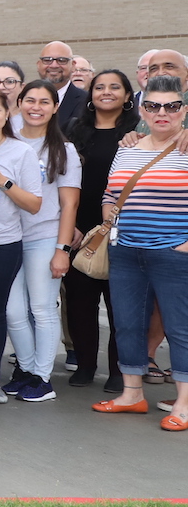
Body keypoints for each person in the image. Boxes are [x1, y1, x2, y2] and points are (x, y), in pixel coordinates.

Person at [94, 73, 188, 427]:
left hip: (174, 255)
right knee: (128, 325)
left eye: (171, 106)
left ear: (183, 110)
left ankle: (184, 403)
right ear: (141, 110)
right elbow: (109, 195)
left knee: (181, 328)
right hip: (126, 252)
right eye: (153, 106)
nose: (162, 112)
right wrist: (112, 225)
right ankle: (132, 393)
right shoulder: (128, 148)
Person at [4, 79, 81, 402]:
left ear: (55, 108)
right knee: (12, 310)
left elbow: (69, 204)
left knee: (42, 308)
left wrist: (62, 250)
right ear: (19, 103)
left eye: (44, 102)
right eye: (30, 100)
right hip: (8, 238)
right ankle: (25, 368)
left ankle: (42, 377)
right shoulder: (6, 142)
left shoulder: (64, 150)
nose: (36, 107)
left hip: (44, 237)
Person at [63, 70, 138, 389]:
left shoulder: (137, 132)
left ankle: (120, 371)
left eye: (114, 87)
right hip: (81, 228)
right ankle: (85, 365)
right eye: (99, 87)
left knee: (122, 305)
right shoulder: (74, 130)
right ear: (90, 95)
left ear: (127, 95)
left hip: (125, 227)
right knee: (80, 302)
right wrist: (73, 227)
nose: (106, 92)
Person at [36, 41, 88, 131]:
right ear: (38, 65)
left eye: (61, 60)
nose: (54, 65)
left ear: (73, 65)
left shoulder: (87, 101)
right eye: (47, 60)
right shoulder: (25, 99)